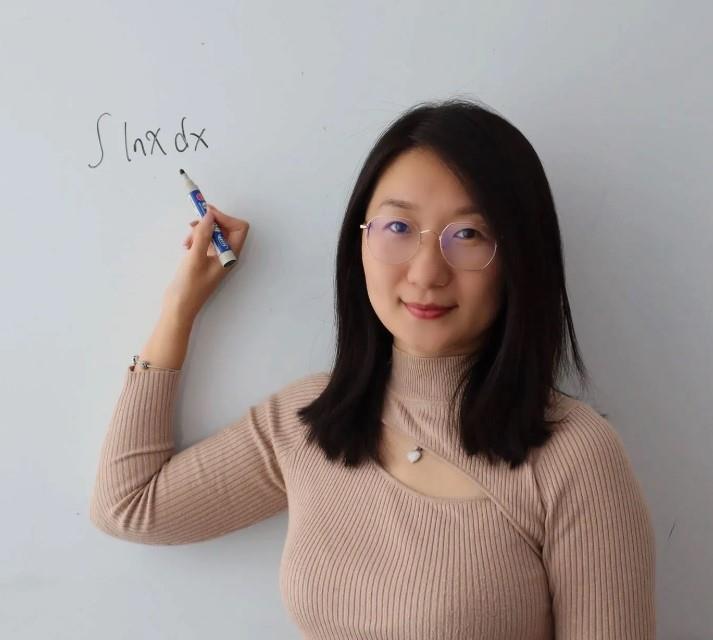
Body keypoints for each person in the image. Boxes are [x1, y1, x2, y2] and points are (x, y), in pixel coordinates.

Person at [90, 98, 656, 638]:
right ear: (358, 243)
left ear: (519, 257)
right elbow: (129, 505)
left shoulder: (575, 458)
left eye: (468, 234)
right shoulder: (310, 421)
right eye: (398, 228)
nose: (426, 272)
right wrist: (180, 308)